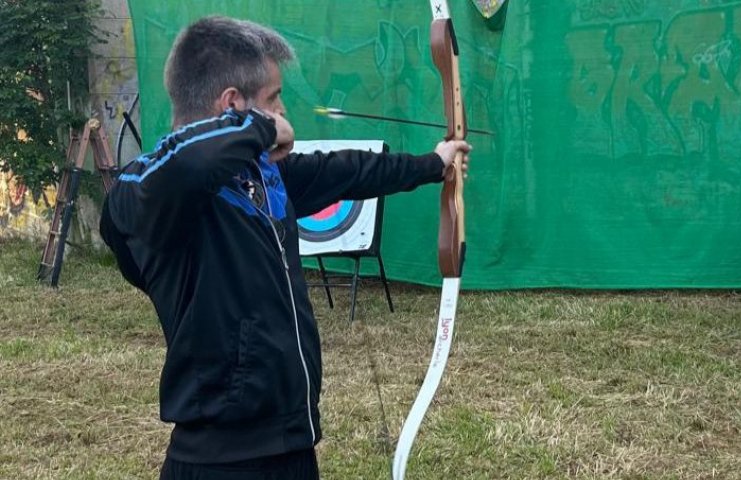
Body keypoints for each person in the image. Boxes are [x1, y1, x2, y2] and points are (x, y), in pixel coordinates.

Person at [99, 16, 470, 479]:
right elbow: (182, 168)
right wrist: (259, 127)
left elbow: (346, 170)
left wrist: (434, 164)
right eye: (274, 99)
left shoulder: (262, 179)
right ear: (234, 107)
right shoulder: (150, 191)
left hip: (292, 445)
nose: (283, 112)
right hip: (219, 462)